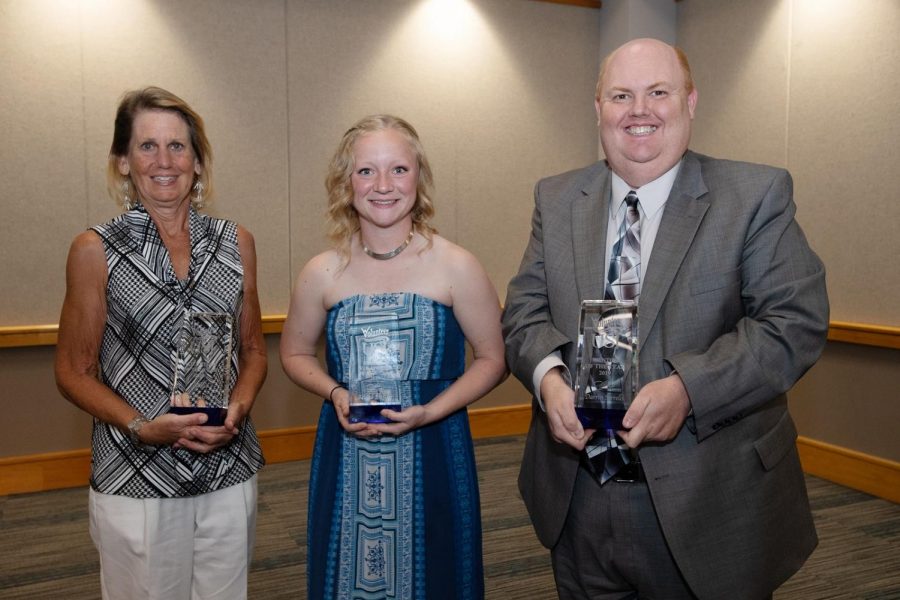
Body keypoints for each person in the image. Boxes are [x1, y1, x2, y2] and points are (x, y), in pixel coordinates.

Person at [502, 38, 829, 600]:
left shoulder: (755, 194)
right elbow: (524, 314)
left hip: (709, 500)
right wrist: (548, 379)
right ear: (597, 107)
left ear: (691, 101)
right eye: (621, 95)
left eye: (659, 92)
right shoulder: (556, 199)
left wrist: (687, 388)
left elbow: (792, 323)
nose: (639, 110)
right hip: (577, 495)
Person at [280, 114, 506, 599]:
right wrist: (334, 391)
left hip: (435, 448)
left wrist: (431, 411)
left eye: (398, 170)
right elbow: (295, 353)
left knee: (438, 575)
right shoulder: (321, 271)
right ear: (346, 183)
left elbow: (492, 359)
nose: (383, 185)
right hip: (345, 454)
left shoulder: (456, 265)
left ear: (418, 178)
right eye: (366, 171)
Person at [55, 86, 266, 599]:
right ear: (123, 162)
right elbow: (72, 371)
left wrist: (237, 409)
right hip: (135, 471)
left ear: (197, 161)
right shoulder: (95, 250)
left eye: (178, 146)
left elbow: (255, 349)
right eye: (147, 146)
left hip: (227, 464)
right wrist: (139, 426)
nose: (164, 160)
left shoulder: (235, 242)